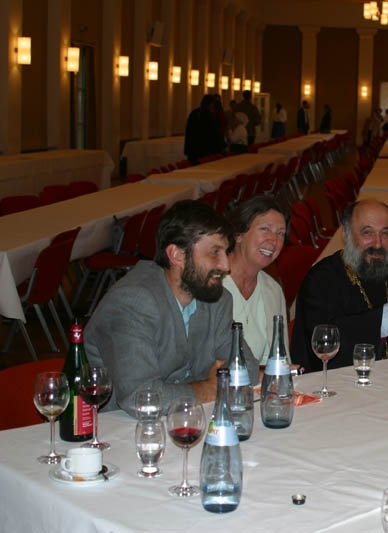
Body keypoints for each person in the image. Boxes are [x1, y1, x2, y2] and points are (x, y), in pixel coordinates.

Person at [85, 200, 260, 416]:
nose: (225, 266)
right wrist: (208, 388)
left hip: (189, 420)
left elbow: (248, 369)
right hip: (119, 428)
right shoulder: (133, 302)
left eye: (226, 252)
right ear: (176, 255)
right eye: (214, 252)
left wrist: (205, 387)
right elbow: (140, 397)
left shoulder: (217, 300)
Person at [292, 200, 388, 372]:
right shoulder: (321, 280)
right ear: (346, 234)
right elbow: (323, 346)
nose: (378, 244)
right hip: (344, 382)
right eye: (367, 233)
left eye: (385, 233)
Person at [223, 196, 290, 364]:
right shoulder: (211, 285)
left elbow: (281, 359)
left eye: (280, 233)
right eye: (265, 229)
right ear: (239, 234)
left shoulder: (273, 290)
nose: (273, 240)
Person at [184, 94, 225, 164]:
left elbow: (189, 131)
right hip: (206, 150)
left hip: (193, 148)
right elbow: (214, 133)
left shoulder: (194, 113)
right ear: (211, 104)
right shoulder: (209, 115)